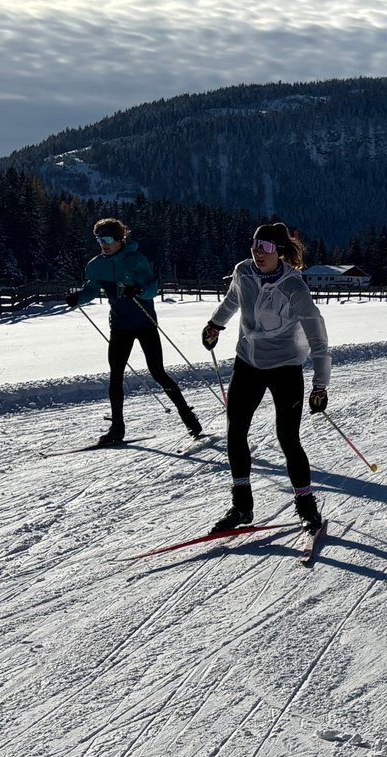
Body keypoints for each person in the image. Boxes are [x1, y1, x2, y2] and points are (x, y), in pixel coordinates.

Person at [201, 222, 330, 535]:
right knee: (235, 431)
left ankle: (306, 506)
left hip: (285, 365)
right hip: (248, 361)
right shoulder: (243, 272)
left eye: (267, 247)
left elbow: (318, 337)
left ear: (280, 252)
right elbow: (234, 299)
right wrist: (215, 325)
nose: (259, 252)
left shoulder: (293, 287)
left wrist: (320, 385)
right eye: (256, 245)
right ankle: (242, 505)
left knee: (288, 437)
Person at [64, 217, 200, 444]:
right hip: (120, 326)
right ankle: (117, 427)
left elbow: (151, 288)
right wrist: (78, 297)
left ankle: (187, 416)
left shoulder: (136, 260)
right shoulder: (96, 265)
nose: (103, 244)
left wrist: (136, 290)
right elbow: (91, 289)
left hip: (145, 324)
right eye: (99, 240)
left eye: (107, 239)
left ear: (119, 239)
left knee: (157, 372)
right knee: (115, 376)